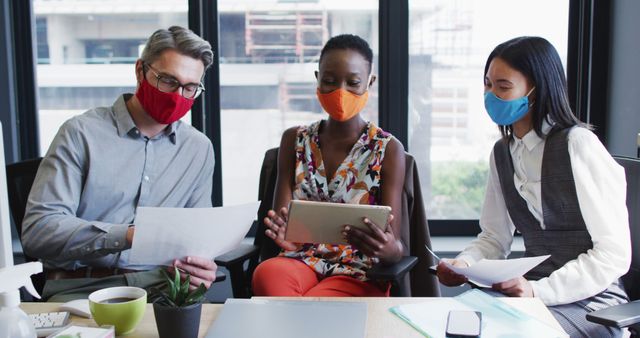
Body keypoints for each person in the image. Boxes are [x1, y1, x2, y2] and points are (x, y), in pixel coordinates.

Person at [436, 36, 631, 338]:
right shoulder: (502, 153)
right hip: (531, 295)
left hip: (594, 304)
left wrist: (537, 291)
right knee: (452, 325)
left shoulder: (578, 145)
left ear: (535, 91)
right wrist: (464, 263)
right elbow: (494, 238)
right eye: (487, 84)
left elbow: (614, 254)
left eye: (503, 87)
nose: (491, 95)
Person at [22, 26, 218, 302]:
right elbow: (39, 231)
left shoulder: (198, 148)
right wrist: (126, 236)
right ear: (140, 71)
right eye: (168, 81)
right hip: (82, 288)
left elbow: (196, 239)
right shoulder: (80, 133)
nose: (177, 96)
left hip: (163, 287)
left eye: (189, 88)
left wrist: (200, 266)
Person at [251, 34, 406, 297]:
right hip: (299, 260)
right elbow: (284, 220)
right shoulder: (294, 140)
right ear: (317, 79)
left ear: (370, 82)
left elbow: (395, 245)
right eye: (330, 81)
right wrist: (283, 235)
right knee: (267, 273)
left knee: (316, 304)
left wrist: (389, 249)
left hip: (359, 271)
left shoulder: (388, 149)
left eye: (353, 82)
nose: (340, 91)